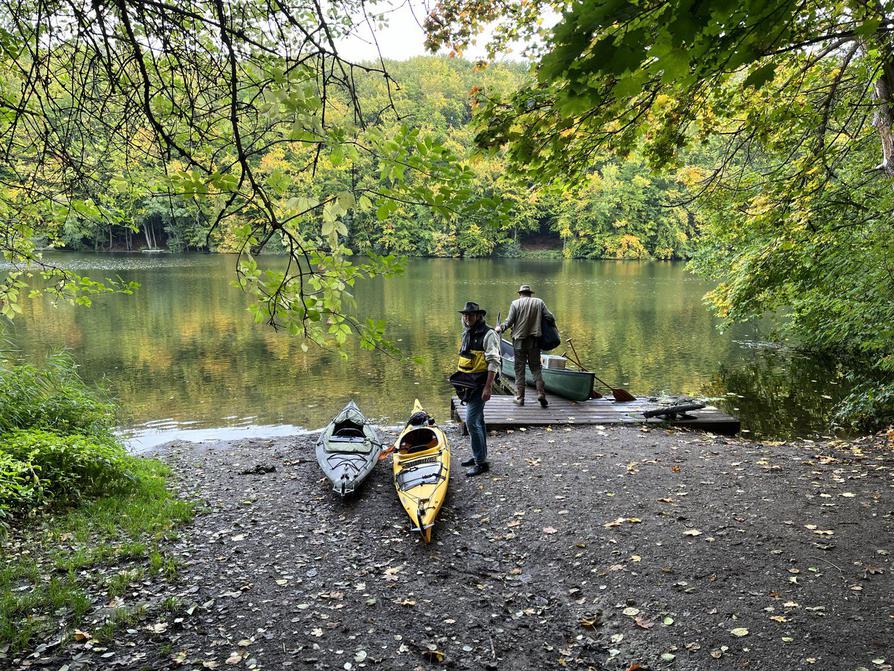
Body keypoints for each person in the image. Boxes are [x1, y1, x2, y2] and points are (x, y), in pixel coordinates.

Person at [454, 301, 500, 477]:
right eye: (465, 315)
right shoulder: (467, 332)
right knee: (478, 421)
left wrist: (488, 387)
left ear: (479, 316)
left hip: (481, 384)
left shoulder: (488, 334)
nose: (467, 318)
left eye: (470, 315)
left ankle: (481, 463)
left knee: (471, 422)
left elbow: (494, 362)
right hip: (468, 384)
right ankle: (478, 456)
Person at [495, 284, 554, 408]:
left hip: (519, 342)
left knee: (519, 369)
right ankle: (541, 394)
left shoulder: (515, 304)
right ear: (530, 294)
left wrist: (501, 328)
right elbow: (550, 317)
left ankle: (520, 397)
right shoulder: (539, 302)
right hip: (535, 341)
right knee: (536, 368)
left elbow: (509, 321)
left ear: (520, 294)